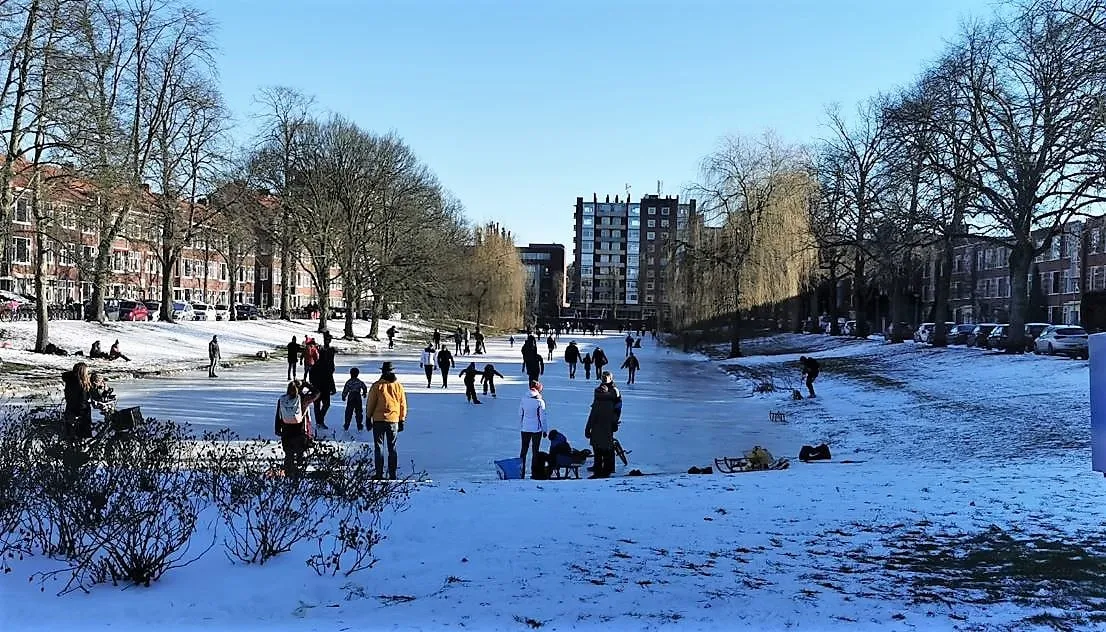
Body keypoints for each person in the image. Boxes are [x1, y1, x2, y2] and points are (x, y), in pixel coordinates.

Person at [367, 361, 407, 480]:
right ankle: (392, 474)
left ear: (382, 372)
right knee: (392, 448)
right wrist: (402, 419)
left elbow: (371, 404)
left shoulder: (377, 386)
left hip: (378, 420)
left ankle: (379, 474)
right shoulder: (398, 386)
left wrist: (368, 417)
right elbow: (402, 404)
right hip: (393, 420)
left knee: (379, 447)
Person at [274, 380, 318, 477]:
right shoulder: (303, 399)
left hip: (286, 432)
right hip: (299, 432)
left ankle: (288, 475)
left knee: (288, 455)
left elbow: (278, 415)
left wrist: (277, 429)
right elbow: (317, 393)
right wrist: (306, 384)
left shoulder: (282, 400)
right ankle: (299, 476)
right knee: (299, 454)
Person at [585, 383, 618, 479]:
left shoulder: (597, 403)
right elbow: (614, 416)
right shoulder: (611, 403)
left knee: (598, 453)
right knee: (607, 451)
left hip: (597, 431)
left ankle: (598, 471)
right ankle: (607, 471)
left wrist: (587, 429)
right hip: (607, 431)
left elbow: (592, 417)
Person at [518, 380, 547, 479]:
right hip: (536, 429)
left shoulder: (523, 399)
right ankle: (534, 473)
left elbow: (520, 413)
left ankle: (520, 472)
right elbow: (542, 417)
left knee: (523, 450)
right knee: (535, 451)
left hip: (525, 428)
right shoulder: (540, 401)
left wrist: (522, 424)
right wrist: (544, 430)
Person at [309, 336, 337, 429]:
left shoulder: (315, 366)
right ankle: (320, 420)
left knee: (317, 405)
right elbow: (330, 376)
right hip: (324, 388)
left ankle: (319, 421)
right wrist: (332, 387)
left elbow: (311, 376)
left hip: (317, 388)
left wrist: (312, 386)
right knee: (326, 404)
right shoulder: (326, 366)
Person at [62, 362, 93, 438]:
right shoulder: (81, 384)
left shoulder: (70, 381)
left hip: (70, 411)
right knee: (83, 437)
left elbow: (69, 398)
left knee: (71, 436)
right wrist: (81, 413)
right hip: (81, 415)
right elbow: (82, 401)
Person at [342, 367, 368, 432]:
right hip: (358, 397)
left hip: (351, 397)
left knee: (349, 412)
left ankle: (346, 425)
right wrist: (364, 393)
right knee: (359, 412)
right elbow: (364, 387)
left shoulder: (349, 382)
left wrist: (344, 396)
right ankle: (359, 425)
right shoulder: (359, 381)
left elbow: (345, 390)